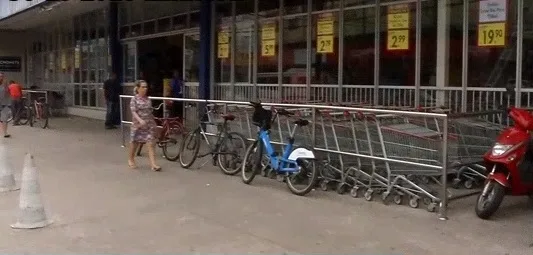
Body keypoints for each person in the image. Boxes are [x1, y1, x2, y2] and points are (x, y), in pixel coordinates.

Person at [127, 80, 161, 171]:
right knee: (135, 144)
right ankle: (131, 159)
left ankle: (153, 165)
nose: (145, 89)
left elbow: (150, 113)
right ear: (138, 88)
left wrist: (154, 125)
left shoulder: (148, 99)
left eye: (146, 87)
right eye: (143, 87)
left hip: (148, 125)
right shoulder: (134, 99)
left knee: (150, 144)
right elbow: (133, 112)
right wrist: (140, 120)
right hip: (138, 126)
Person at [0, 73, 12, 138]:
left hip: (4, 104)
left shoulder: (5, 85)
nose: (1, 77)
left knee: (4, 119)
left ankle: (5, 133)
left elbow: (8, 94)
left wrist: (6, 87)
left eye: (2, 76)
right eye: (0, 76)